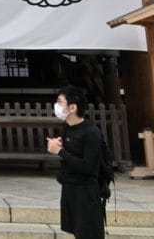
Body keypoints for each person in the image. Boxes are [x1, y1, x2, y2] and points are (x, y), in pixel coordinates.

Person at [46, 85, 105, 238]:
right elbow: (72, 153)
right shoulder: (68, 128)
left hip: (85, 191)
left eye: (60, 102)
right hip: (69, 187)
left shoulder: (91, 132)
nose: (57, 106)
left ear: (72, 107)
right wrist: (61, 146)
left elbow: (87, 166)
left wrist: (60, 151)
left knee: (88, 232)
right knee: (76, 231)